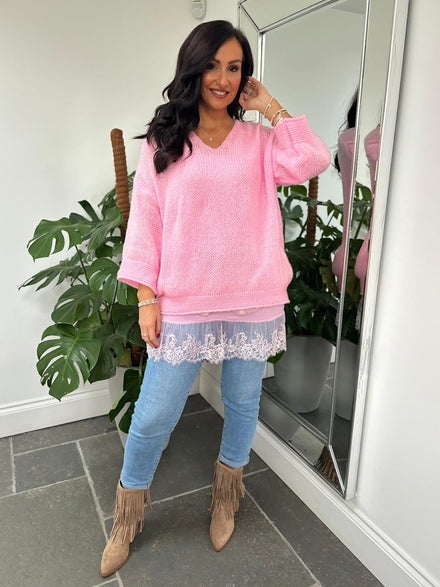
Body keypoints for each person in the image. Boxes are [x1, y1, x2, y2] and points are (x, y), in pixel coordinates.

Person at [101, 19, 330, 578]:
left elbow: (313, 159)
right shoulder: (164, 142)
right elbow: (147, 222)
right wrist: (146, 297)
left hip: (252, 297)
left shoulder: (260, 144)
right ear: (193, 68)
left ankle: (226, 496)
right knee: (154, 414)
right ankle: (127, 517)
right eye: (212, 66)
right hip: (183, 300)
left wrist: (269, 106)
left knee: (243, 402)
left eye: (234, 67)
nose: (223, 79)